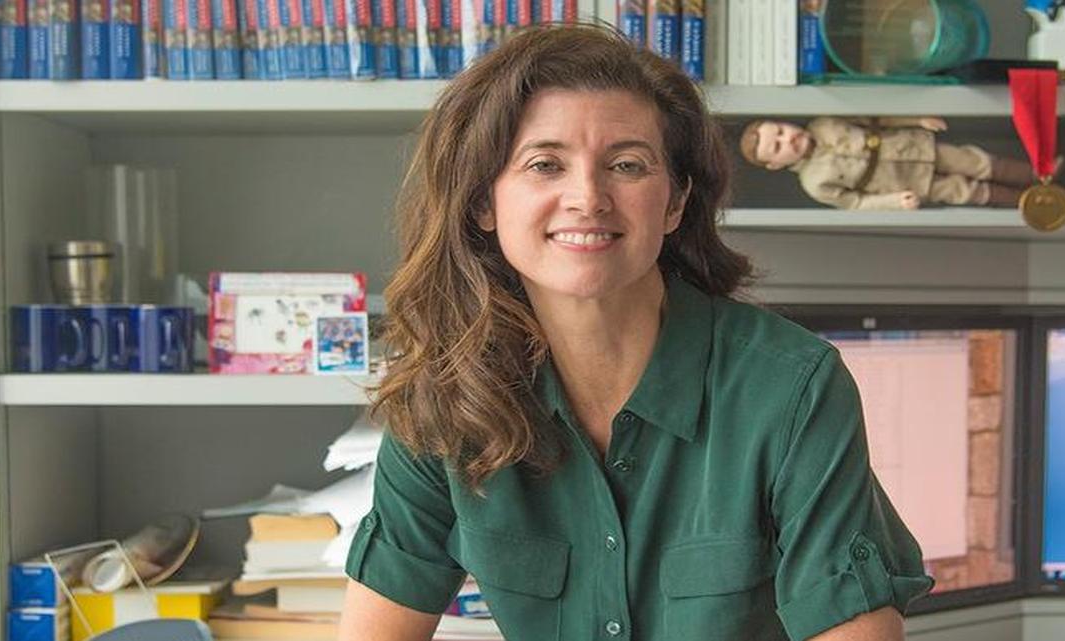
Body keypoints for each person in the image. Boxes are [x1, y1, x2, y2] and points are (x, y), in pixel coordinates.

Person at [339, 24, 933, 641]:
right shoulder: (446, 397)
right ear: (484, 203)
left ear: (674, 203)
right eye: (545, 164)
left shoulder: (791, 388)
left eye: (627, 164)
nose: (588, 197)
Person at [739, 117, 1041, 210]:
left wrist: (916, 120)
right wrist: (894, 201)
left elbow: (876, 119)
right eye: (776, 147)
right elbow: (856, 202)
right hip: (904, 182)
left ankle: (1041, 172)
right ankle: (1037, 202)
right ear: (775, 165)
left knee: (979, 162)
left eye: (780, 131)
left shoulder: (823, 123)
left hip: (915, 146)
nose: (786, 139)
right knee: (968, 192)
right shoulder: (814, 182)